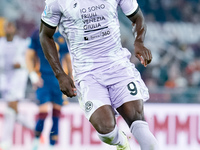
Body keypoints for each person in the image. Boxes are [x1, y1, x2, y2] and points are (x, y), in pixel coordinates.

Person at [39, 0, 159, 150]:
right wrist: (60, 74)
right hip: (87, 73)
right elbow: (45, 35)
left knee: (137, 119)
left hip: (118, 67)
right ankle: (121, 143)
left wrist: (139, 41)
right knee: (106, 129)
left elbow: (137, 17)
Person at [26, 28, 72, 150]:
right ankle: (36, 142)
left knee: (56, 115)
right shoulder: (37, 33)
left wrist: (71, 79)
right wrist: (33, 76)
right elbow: (28, 56)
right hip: (43, 79)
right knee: (44, 112)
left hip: (58, 81)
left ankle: (52, 146)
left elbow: (68, 59)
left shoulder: (62, 34)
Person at [0, 20, 30, 150]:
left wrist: (21, 64)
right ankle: (36, 129)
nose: (9, 29)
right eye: (7, 27)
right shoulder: (1, 43)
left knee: (11, 109)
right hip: (5, 80)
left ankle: (6, 142)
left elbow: (28, 61)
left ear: (15, 29)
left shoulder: (22, 44)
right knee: (12, 111)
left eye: (11, 26)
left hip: (17, 80)